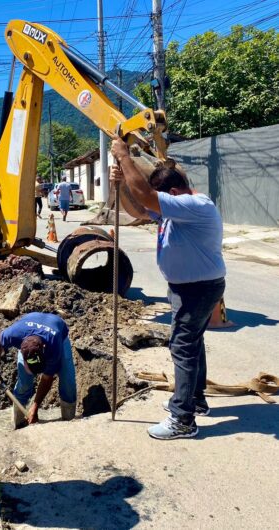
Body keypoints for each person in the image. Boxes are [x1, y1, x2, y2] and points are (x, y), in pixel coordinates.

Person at [110, 135, 226, 440]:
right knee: (192, 343)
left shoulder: (194, 205)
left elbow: (147, 198)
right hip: (189, 287)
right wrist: (121, 183)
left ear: (174, 193)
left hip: (197, 288)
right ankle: (195, 399)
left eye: (162, 198)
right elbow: (138, 210)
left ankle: (183, 418)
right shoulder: (179, 208)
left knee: (182, 346)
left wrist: (124, 157)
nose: (159, 205)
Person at [0, 312, 77, 429]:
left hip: (58, 332)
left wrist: (35, 406)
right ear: (22, 353)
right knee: (24, 383)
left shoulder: (54, 346)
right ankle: (18, 424)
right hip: (29, 325)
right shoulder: (14, 334)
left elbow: (47, 378)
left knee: (67, 380)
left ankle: (70, 423)